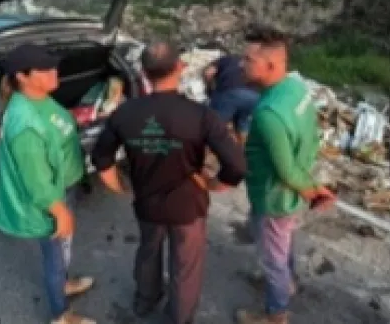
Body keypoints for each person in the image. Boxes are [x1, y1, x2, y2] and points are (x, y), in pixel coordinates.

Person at [91, 40, 247, 324]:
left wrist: (118, 187)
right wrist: (215, 184)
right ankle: (180, 317)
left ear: (144, 73)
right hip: (188, 205)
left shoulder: (124, 113)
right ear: (180, 67)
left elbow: (101, 159)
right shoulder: (202, 115)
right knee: (186, 266)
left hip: (147, 201)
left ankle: (145, 300)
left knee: (149, 250)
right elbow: (236, 164)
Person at [235, 27, 336, 324]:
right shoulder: (296, 89)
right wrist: (312, 184)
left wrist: (312, 190)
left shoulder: (269, 114)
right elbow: (310, 137)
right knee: (283, 240)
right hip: (292, 187)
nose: (241, 65)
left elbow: (285, 169)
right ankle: (287, 283)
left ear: (270, 65)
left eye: (248, 60)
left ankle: (275, 315)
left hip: (273, 195)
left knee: (272, 258)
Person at [0, 43, 95, 324]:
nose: (54, 72)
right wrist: (59, 210)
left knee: (62, 250)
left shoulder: (40, 98)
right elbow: (35, 180)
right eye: (45, 69)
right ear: (23, 76)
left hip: (65, 185)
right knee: (55, 255)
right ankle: (61, 315)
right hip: (52, 197)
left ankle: (62, 283)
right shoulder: (24, 123)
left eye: (53, 65)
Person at [203, 53, 260, 143]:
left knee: (214, 126)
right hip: (253, 97)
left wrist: (209, 88)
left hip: (230, 93)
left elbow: (208, 73)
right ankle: (242, 154)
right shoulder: (250, 62)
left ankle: (205, 154)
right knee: (243, 127)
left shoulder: (224, 59)